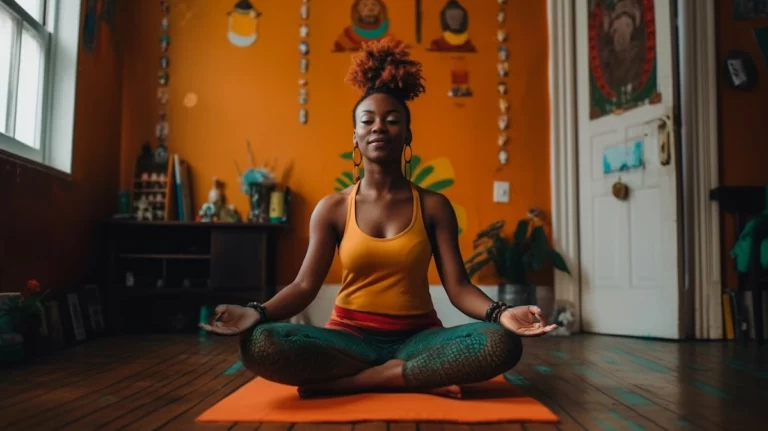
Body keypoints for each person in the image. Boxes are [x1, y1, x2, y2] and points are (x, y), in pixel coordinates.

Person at [199, 37, 557, 399]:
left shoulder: (433, 206)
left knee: (501, 343)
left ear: (407, 134)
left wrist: (502, 314)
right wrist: (255, 314)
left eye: (391, 120)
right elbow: (304, 286)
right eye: (367, 120)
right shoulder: (333, 208)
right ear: (355, 136)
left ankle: (362, 381)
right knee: (260, 344)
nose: (379, 128)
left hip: (418, 339)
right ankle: (409, 377)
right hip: (349, 339)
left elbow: (459, 288)